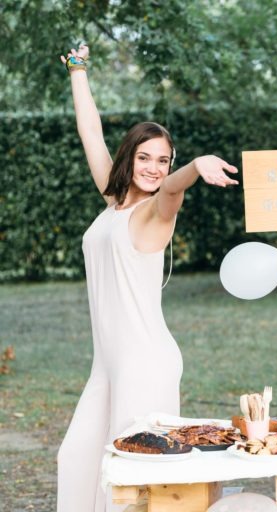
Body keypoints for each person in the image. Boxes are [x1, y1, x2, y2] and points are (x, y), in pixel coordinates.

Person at [56, 44, 238, 512]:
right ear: (130, 159)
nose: (155, 168)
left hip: (145, 362)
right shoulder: (115, 202)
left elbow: (174, 188)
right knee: (76, 459)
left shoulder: (157, 213)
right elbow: (91, 134)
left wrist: (194, 167)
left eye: (164, 159)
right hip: (108, 363)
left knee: (133, 479)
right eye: (146, 158)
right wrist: (79, 70)